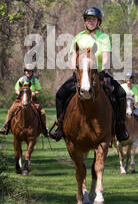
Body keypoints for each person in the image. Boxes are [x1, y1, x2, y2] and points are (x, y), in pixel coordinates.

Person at [49, 7, 129, 142]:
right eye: (88, 19)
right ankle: (60, 126)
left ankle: (120, 127)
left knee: (121, 94)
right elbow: (73, 57)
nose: (91, 22)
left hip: (98, 73)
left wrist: (103, 70)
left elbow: (106, 57)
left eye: (94, 19)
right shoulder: (78, 37)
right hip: (80, 73)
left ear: (98, 22)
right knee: (60, 95)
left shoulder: (103, 38)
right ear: (85, 21)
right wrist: (75, 69)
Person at [0, 64, 49, 137]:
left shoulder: (35, 80)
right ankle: (6, 127)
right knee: (11, 111)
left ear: (32, 72)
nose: (28, 72)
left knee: (42, 113)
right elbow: (16, 89)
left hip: (32, 100)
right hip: (20, 99)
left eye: (30, 71)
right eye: (27, 71)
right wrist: (20, 93)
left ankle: (44, 129)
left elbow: (39, 90)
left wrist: (34, 93)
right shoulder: (21, 80)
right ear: (25, 72)